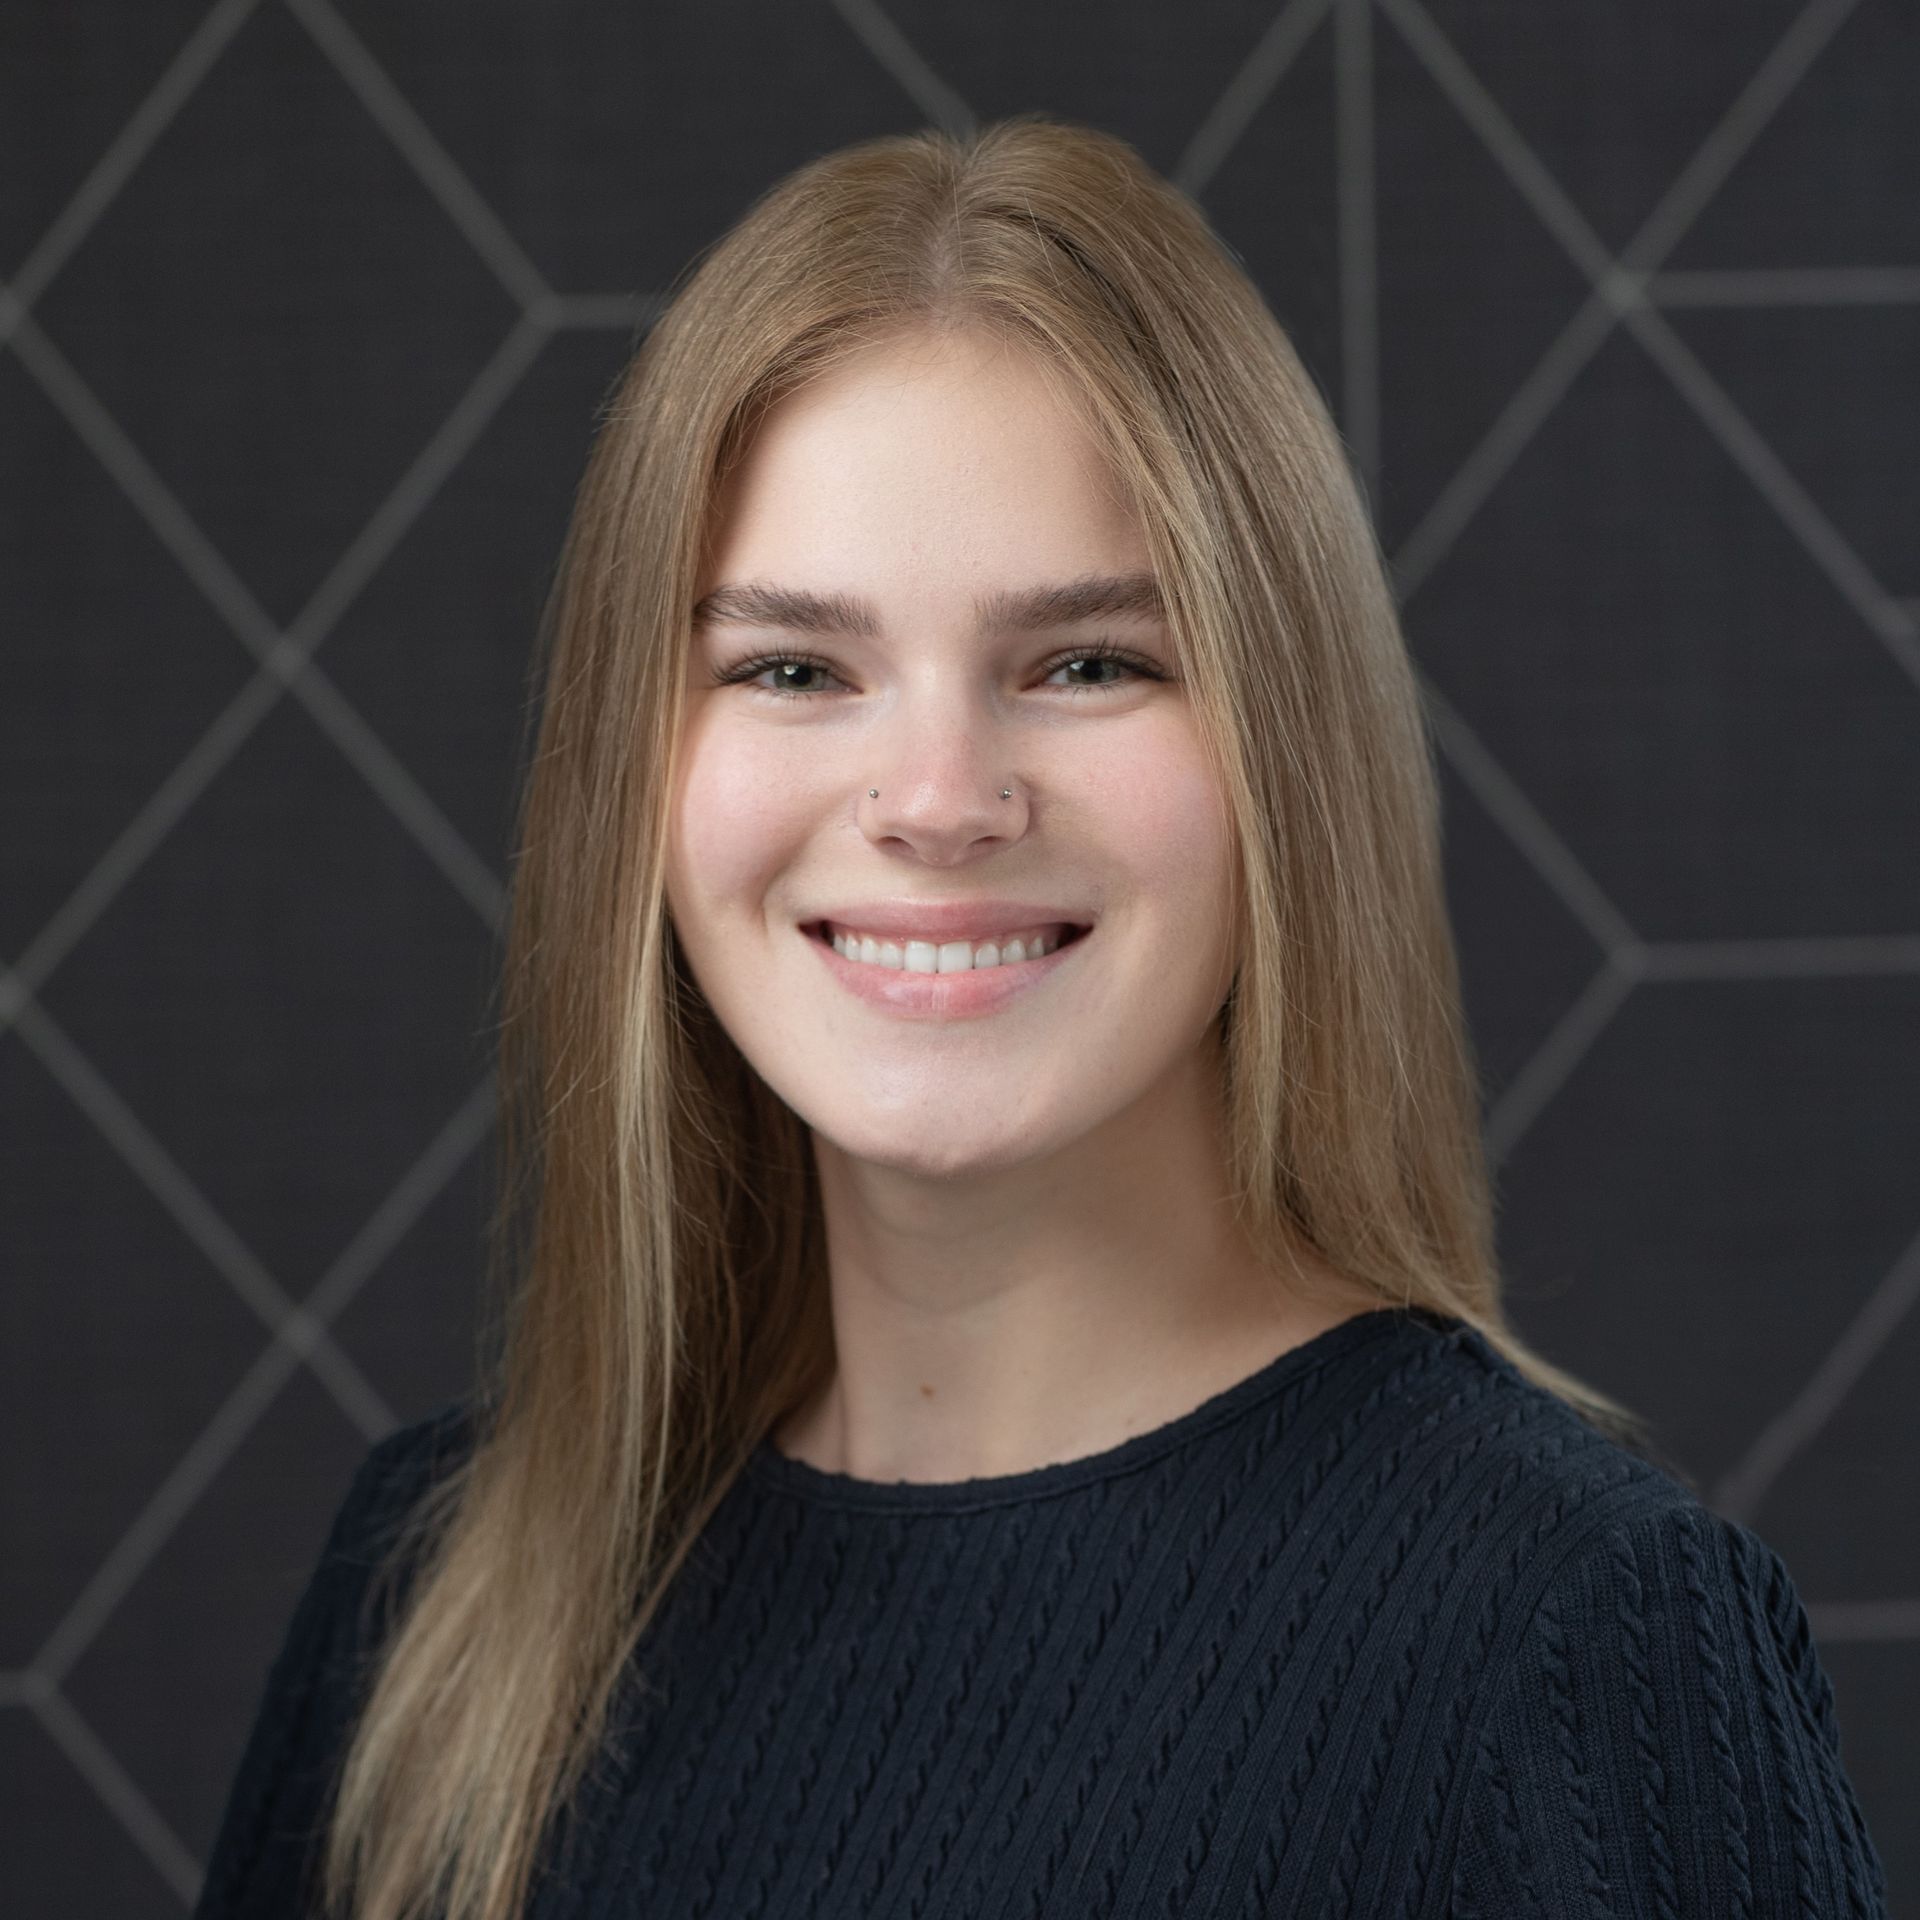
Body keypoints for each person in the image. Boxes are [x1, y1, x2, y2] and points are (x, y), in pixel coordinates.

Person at [194, 115, 1888, 1920]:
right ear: (634, 769)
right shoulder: (439, 1607)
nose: (939, 800)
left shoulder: (1576, 1634)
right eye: (793, 668)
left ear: (1286, 751)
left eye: (1089, 663)